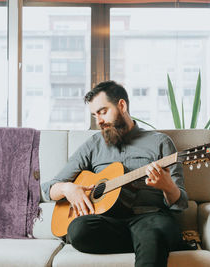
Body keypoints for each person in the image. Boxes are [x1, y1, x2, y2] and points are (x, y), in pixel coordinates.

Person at [41, 80, 188, 267]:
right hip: (109, 224)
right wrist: (68, 188)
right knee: (78, 229)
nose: (99, 121)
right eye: (95, 115)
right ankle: (146, 243)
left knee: (154, 231)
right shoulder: (93, 145)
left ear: (122, 105)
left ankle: (150, 241)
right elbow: (48, 189)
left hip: (150, 218)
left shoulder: (160, 142)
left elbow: (181, 203)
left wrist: (168, 186)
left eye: (102, 112)